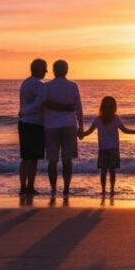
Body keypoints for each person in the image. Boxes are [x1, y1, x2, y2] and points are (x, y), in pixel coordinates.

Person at [20, 59, 83, 198]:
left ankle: (53, 189)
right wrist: (81, 127)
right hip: (69, 125)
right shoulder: (73, 86)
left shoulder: (46, 86)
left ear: (54, 71)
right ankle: (66, 189)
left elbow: (39, 104)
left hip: (51, 127)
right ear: (67, 70)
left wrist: (23, 111)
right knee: (67, 160)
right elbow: (78, 108)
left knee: (52, 161)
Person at [79, 95, 135, 197]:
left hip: (103, 148)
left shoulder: (99, 119)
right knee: (112, 171)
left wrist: (81, 134)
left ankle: (104, 190)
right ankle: (112, 189)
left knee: (103, 171)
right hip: (113, 148)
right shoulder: (115, 118)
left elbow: (88, 132)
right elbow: (125, 130)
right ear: (114, 107)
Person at [17, 58, 48, 196]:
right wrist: (24, 111)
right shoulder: (39, 85)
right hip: (34, 124)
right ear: (39, 69)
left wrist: (23, 111)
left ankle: (23, 187)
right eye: (45, 68)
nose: (46, 71)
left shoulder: (25, 83)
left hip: (24, 123)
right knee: (33, 158)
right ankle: (29, 187)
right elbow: (38, 105)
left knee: (25, 157)